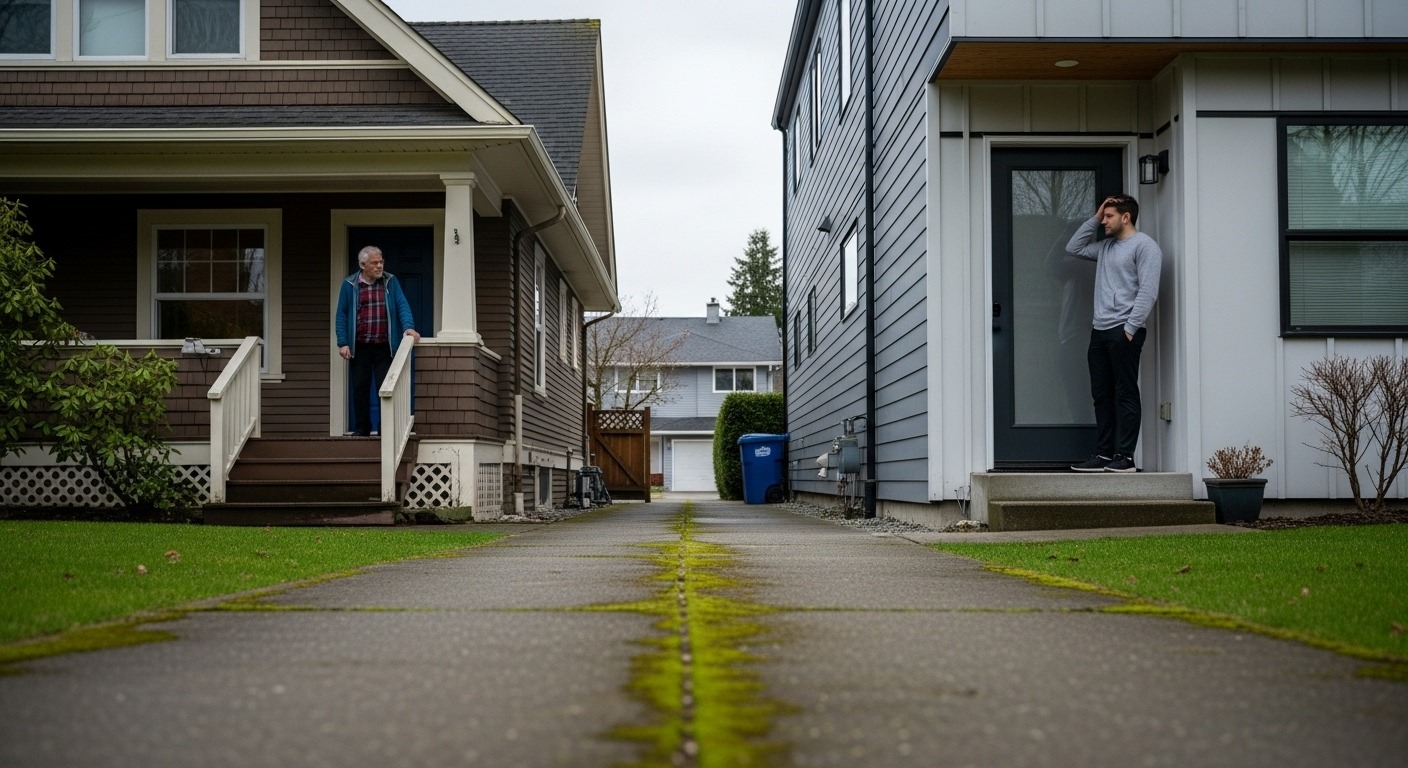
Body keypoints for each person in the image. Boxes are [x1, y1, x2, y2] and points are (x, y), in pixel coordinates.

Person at [1066, 194, 1161, 473]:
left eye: (1108, 216)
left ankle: (1126, 457)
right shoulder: (1106, 247)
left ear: (1126, 217)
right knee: (1102, 395)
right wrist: (1094, 217)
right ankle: (1104, 455)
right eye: (1103, 217)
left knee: (1125, 393)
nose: (1103, 221)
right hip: (1099, 330)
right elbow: (1074, 247)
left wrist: (1130, 329)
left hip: (1124, 330)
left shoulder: (1145, 247)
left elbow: (1148, 290)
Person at [335, 245, 420, 436]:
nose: (379, 266)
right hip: (360, 346)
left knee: (386, 389)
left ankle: (386, 431)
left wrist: (408, 326)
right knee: (360, 389)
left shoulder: (390, 282)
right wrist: (343, 342)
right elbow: (342, 314)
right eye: (375, 263)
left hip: (384, 347)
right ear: (363, 264)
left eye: (381, 262)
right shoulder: (349, 285)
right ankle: (362, 429)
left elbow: (402, 305)